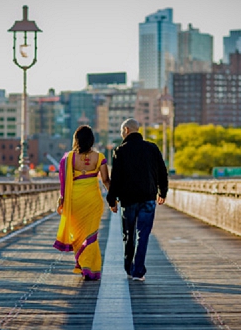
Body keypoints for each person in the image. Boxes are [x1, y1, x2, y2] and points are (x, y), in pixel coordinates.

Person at [106, 118, 168, 281]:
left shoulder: (120, 151)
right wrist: (163, 192)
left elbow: (116, 179)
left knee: (129, 234)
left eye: (121, 131)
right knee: (144, 234)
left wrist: (112, 200)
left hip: (128, 200)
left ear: (126, 130)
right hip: (148, 197)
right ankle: (138, 270)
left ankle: (129, 267)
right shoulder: (152, 148)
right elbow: (162, 172)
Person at [54, 125, 110, 280]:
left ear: (76, 140)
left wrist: (62, 198)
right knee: (91, 235)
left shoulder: (69, 158)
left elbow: (64, 182)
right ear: (92, 139)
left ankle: (84, 264)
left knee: (78, 235)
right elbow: (105, 180)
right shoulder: (99, 157)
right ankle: (89, 267)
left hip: (75, 201)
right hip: (93, 200)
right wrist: (114, 197)